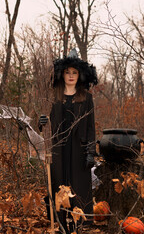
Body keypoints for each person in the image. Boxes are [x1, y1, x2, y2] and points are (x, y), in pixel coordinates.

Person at [40, 49, 98, 233]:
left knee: (79, 185)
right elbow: (45, 123)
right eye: (67, 72)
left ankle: (78, 223)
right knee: (59, 182)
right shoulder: (55, 97)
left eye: (74, 73)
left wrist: (90, 151)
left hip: (79, 148)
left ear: (80, 75)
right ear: (61, 74)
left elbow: (90, 127)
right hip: (59, 148)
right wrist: (41, 122)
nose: (71, 76)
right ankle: (61, 222)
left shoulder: (86, 98)